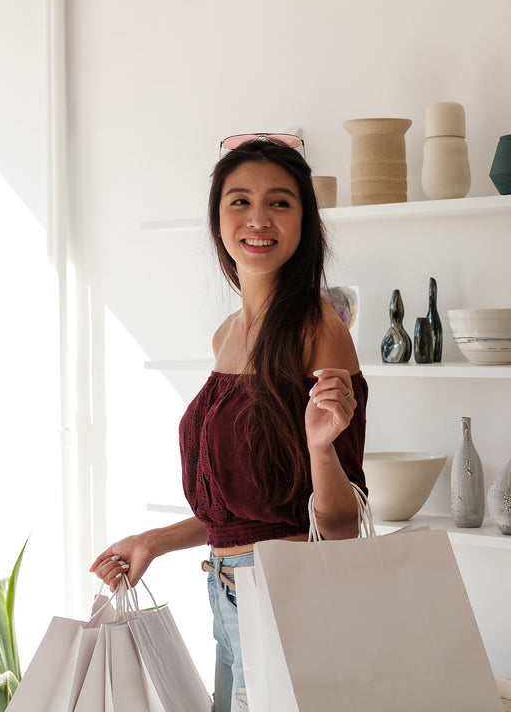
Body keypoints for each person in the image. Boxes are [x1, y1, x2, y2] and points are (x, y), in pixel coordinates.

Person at [89, 135, 367, 712]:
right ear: (218, 219)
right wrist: (156, 541)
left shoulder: (319, 327)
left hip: (282, 598)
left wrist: (322, 449)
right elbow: (245, 509)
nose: (258, 218)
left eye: (280, 202)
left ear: (304, 222)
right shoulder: (226, 335)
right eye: (239, 201)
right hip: (225, 591)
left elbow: (341, 523)